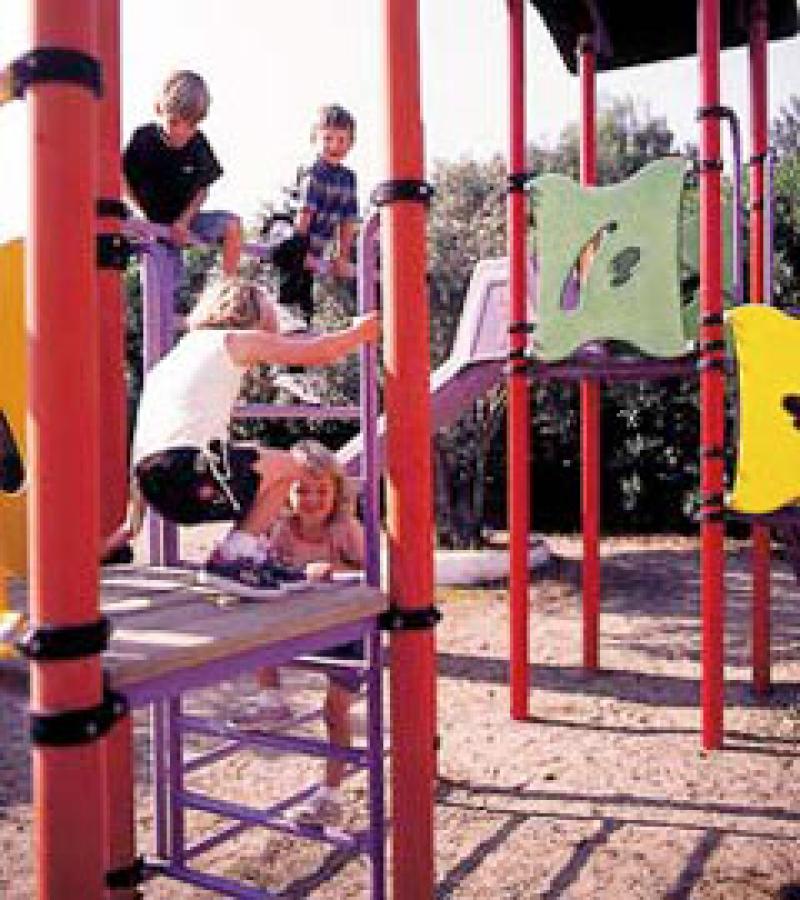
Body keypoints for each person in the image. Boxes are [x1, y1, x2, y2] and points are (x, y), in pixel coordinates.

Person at [102, 278, 379, 597]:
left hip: (156, 485)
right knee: (293, 467)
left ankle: (249, 552)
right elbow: (316, 352)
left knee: (259, 458)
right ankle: (235, 554)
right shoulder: (235, 339)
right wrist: (360, 333)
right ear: (254, 312)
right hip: (192, 472)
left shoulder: (174, 358)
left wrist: (130, 526)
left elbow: (149, 446)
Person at [234, 439, 366, 827]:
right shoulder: (282, 530)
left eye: (321, 491)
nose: (311, 500)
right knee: (258, 619)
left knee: (334, 713)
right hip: (300, 627)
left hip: (344, 633)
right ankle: (271, 696)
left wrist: (335, 571)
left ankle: (330, 795)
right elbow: (267, 569)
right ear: (285, 494)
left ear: (336, 493)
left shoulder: (345, 530)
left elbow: (373, 574)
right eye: (301, 490)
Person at [270, 104, 359, 403]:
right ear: (314, 139)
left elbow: (348, 221)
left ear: (351, 143)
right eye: (328, 139)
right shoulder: (313, 171)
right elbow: (303, 216)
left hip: (311, 245)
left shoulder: (348, 179)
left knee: (304, 305)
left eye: (342, 140)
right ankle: (281, 361)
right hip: (289, 233)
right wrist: (303, 252)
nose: (334, 146)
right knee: (289, 297)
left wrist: (342, 257)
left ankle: (293, 369)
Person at [123, 70, 243, 277]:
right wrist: (141, 215)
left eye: (192, 125)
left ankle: (228, 288)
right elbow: (121, 178)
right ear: (158, 109)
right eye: (174, 122)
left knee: (232, 225)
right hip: (147, 221)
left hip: (183, 220)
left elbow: (203, 189)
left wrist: (184, 221)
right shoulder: (144, 138)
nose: (182, 132)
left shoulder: (198, 144)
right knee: (159, 266)